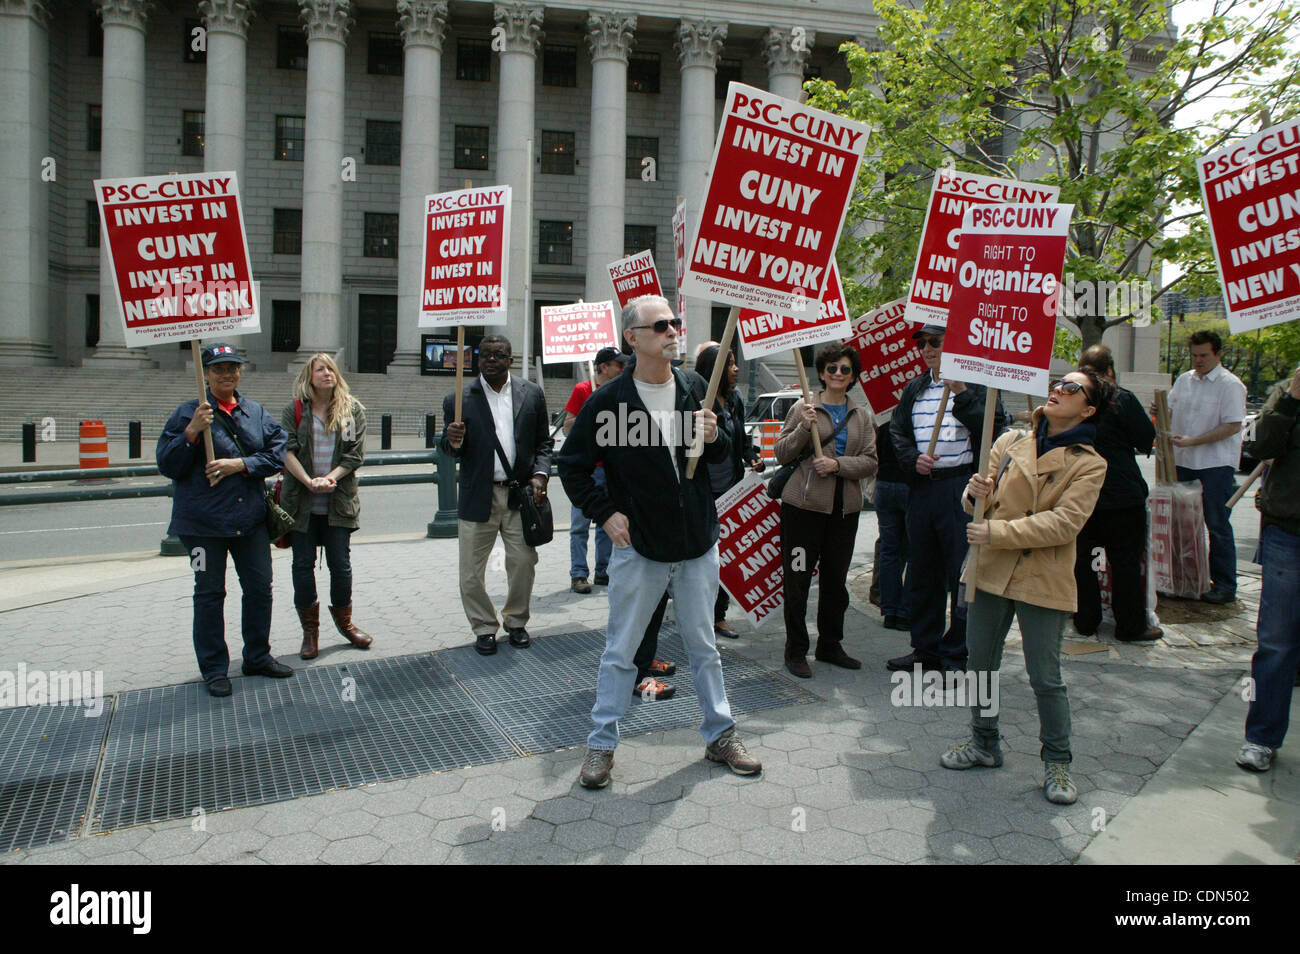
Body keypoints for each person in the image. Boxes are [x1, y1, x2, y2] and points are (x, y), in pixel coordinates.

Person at [558, 295, 761, 788]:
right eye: (661, 326)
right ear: (633, 338)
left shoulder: (695, 387)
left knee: (704, 646)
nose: (674, 331)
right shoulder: (609, 401)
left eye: (675, 323)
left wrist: (715, 435)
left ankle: (720, 733)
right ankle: (601, 744)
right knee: (621, 651)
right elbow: (572, 466)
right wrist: (605, 514)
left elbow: (725, 451)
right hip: (639, 548)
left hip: (696, 542)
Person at [940, 369, 1111, 805]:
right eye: (1057, 383)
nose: (1058, 390)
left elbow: (1065, 523)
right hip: (991, 567)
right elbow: (978, 501)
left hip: (1042, 575)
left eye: (1071, 388)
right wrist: (973, 491)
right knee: (979, 662)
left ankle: (1058, 762)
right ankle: (984, 742)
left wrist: (998, 533)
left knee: (1045, 676)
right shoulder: (1010, 441)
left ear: (1088, 409)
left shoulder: (1090, 463)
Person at [156, 342, 290, 697]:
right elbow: (167, 464)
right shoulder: (189, 413)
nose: (227, 374)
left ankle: (257, 656)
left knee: (260, 589)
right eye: (218, 369)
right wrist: (190, 433)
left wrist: (240, 465)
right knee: (209, 594)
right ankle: (214, 668)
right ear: (206, 374)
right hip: (202, 527)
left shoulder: (255, 412)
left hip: (250, 522)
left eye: (232, 368)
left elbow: (277, 453)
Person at [889, 324, 1008, 673]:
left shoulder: (977, 385)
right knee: (922, 570)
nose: (927, 349)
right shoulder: (916, 388)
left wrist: (961, 392)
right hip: (923, 488)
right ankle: (924, 647)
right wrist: (913, 460)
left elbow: (993, 427)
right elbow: (898, 431)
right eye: (923, 344)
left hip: (961, 488)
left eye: (935, 342)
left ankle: (957, 651)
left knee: (961, 570)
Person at [441, 335, 553, 655]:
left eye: (498, 355)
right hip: (479, 496)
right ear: (477, 360)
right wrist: (453, 440)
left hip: (519, 496)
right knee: (470, 572)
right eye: (485, 355)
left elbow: (544, 443)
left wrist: (540, 475)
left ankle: (516, 621)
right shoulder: (459, 399)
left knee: (522, 562)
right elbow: (449, 451)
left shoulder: (531, 394)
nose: (491, 360)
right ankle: (484, 627)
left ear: (511, 360)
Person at [773, 342, 878, 677]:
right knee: (798, 580)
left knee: (835, 582)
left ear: (852, 377)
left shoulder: (861, 416)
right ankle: (796, 650)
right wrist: (804, 427)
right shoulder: (804, 408)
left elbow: (870, 462)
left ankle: (830, 645)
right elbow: (782, 453)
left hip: (842, 514)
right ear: (821, 373)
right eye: (831, 368)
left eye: (844, 369)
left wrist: (837, 464)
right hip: (802, 511)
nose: (837, 374)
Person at [280, 353, 373, 660]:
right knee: (302, 567)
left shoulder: (350, 411)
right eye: (320, 369)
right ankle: (310, 632)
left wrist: (329, 480)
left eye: (331, 369)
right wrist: (308, 481)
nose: (327, 373)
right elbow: (286, 451)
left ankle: (346, 624)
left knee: (340, 565)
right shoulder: (294, 410)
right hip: (301, 502)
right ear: (309, 377)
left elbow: (353, 455)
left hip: (338, 502)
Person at [1072, 344, 1160, 642]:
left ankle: (1085, 619)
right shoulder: (1121, 398)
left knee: (1082, 561)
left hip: (1082, 494)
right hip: (1123, 495)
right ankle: (1130, 625)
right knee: (1125, 563)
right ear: (1110, 370)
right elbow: (1146, 438)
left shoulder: (1072, 399)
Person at [1236, 364, 1300, 771]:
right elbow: (1255, 445)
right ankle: (1261, 738)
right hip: (1288, 534)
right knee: (1277, 644)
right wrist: (1291, 399)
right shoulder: (1286, 396)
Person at [1167, 330, 1247, 604]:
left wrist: (1195, 441)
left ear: (1218, 354)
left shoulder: (1230, 384)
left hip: (1215, 464)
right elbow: (1170, 410)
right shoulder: (1184, 380)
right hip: (1183, 461)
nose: (1198, 360)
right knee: (1183, 525)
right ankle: (1188, 578)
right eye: (1195, 355)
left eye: (1204, 355)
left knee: (1217, 523)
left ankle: (1225, 584)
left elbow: (1233, 425)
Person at [695, 343, 764, 637]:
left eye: (736, 363)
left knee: (726, 556)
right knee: (703, 559)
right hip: (702, 492)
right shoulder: (699, 401)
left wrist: (751, 456)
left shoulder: (735, 400)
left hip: (731, 490)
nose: (736, 369)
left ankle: (718, 615)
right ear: (715, 369)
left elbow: (742, 436)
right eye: (730, 363)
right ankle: (697, 614)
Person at [562, 347, 627, 593]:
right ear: (603, 367)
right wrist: (590, 413)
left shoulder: (618, 392)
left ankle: (603, 571)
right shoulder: (583, 390)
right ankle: (578, 573)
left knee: (606, 521)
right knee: (580, 525)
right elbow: (568, 427)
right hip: (588, 469)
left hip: (610, 467)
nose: (622, 369)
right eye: (617, 365)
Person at [873, 419, 911, 632]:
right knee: (915, 551)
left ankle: (889, 611)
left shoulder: (885, 418)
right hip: (909, 484)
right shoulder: (918, 414)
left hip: (885, 484)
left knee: (889, 551)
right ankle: (905, 612)